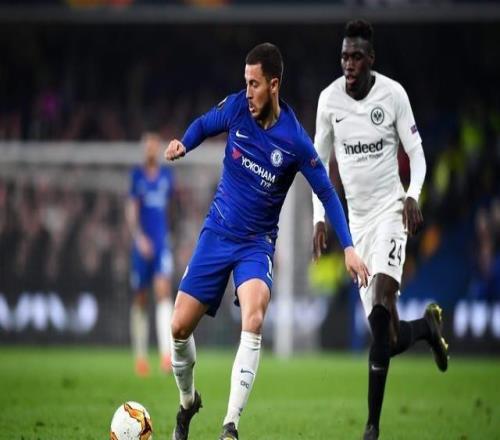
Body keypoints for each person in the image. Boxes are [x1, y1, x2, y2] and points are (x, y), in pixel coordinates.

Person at [164, 43, 369, 440]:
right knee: (177, 328)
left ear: (274, 85)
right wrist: (184, 143)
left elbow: (327, 192)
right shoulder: (236, 109)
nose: (247, 92)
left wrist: (348, 246)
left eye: (254, 84)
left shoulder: (295, 140)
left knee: (254, 317)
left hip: (256, 244)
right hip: (217, 232)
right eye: (245, 82)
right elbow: (204, 124)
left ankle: (230, 425)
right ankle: (188, 404)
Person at [311, 20, 449, 439]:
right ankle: (426, 329)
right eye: (344, 57)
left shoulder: (393, 95)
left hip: (391, 213)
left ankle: (371, 427)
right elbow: (318, 167)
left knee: (384, 301)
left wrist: (412, 195)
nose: (349, 64)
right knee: (384, 335)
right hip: (357, 229)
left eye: (356, 56)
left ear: (371, 59)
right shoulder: (329, 101)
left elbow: (417, 154)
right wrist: (319, 218)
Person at [126, 131, 175, 376]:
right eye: (147, 147)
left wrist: (169, 235)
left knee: (163, 292)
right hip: (142, 245)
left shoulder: (167, 177)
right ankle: (141, 356)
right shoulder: (137, 177)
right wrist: (138, 238)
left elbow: (171, 210)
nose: (151, 151)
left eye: (154, 147)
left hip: (161, 243)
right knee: (141, 298)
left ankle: (167, 355)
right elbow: (131, 209)